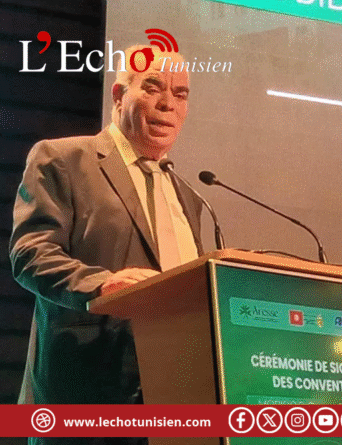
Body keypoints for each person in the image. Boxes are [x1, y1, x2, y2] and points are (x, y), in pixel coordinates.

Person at [10, 45, 203, 443]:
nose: (167, 104)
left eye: (180, 94)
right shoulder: (64, 159)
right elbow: (31, 253)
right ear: (118, 95)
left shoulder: (190, 197)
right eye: (153, 88)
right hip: (83, 400)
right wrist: (101, 286)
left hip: (172, 403)